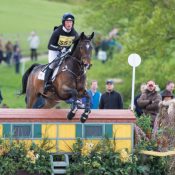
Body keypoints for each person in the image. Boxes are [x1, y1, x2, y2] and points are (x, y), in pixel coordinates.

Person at [44, 13, 79, 93]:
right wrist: (59, 48)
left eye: (71, 22)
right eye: (67, 22)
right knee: (53, 64)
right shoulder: (57, 32)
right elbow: (50, 46)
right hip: (54, 51)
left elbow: (77, 45)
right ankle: (46, 83)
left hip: (65, 52)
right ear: (64, 23)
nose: (69, 24)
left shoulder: (74, 33)